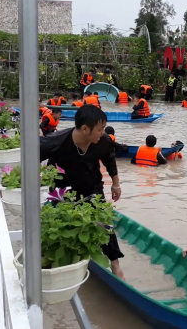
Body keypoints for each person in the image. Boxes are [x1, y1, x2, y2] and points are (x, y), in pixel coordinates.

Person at [39, 105, 124, 279]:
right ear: (85, 129)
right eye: (99, 129)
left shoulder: (104, 141)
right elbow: (28, 159)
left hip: (92, 186)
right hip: (62, 192)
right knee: (58, 227)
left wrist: (116, 184)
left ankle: (116, 265)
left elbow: (109, 160)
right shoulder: (55, 141)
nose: (102, 133)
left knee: (104, 223)